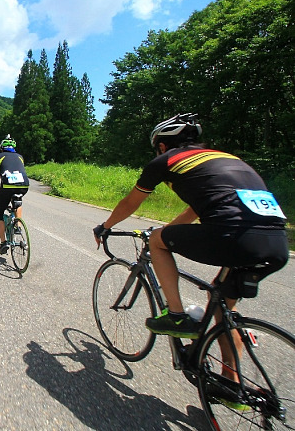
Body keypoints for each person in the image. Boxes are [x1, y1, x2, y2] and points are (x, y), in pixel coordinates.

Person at [92, 113, 288, 403]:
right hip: (276, 242)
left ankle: (177, 316)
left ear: (161, 146)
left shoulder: (167, 161)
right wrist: (170, 230)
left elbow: (132, 202)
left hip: (232, 235)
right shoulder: (226, 158)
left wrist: (106, 227)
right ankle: (231, 386)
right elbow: (194, 212)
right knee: (222, 309)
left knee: (157, 242)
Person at [0, 135, 30, 254]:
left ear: (1, 148)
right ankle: (18, 226)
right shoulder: (20, 157)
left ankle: (4, 243)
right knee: (17, 201)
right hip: (24, 185)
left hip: (7, 186)